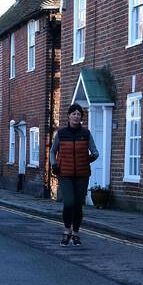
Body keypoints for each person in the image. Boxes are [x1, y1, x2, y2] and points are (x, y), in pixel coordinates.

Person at [50, 104, 99, 246]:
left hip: (82, 175)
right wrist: (54, 165)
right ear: (69, 116)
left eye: (79, 114)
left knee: (78, 205)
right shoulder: (61, 134)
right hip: (65, 173)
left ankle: (76, 233)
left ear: (81, 117)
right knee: (69, 202)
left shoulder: (86, 134)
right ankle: (66, 231)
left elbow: (95, 152)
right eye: (74, 114)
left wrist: (87, 160)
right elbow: (53, 151)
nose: (76, 116)